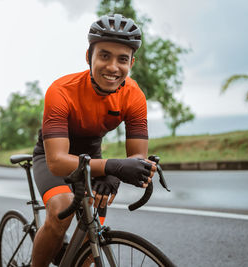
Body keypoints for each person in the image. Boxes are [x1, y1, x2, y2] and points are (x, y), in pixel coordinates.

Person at [31, 14, 156, 266]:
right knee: (60, 211)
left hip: (93, 157)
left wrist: (115, 174)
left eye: (122, 59)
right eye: (104, 56)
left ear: (132, 62)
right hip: (52, 155)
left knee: (92, 233)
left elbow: (137, 155)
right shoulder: (61, 90)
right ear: (89, 56)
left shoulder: (134, 96)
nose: (112, 67)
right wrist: (112, 166)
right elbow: (56, 162)